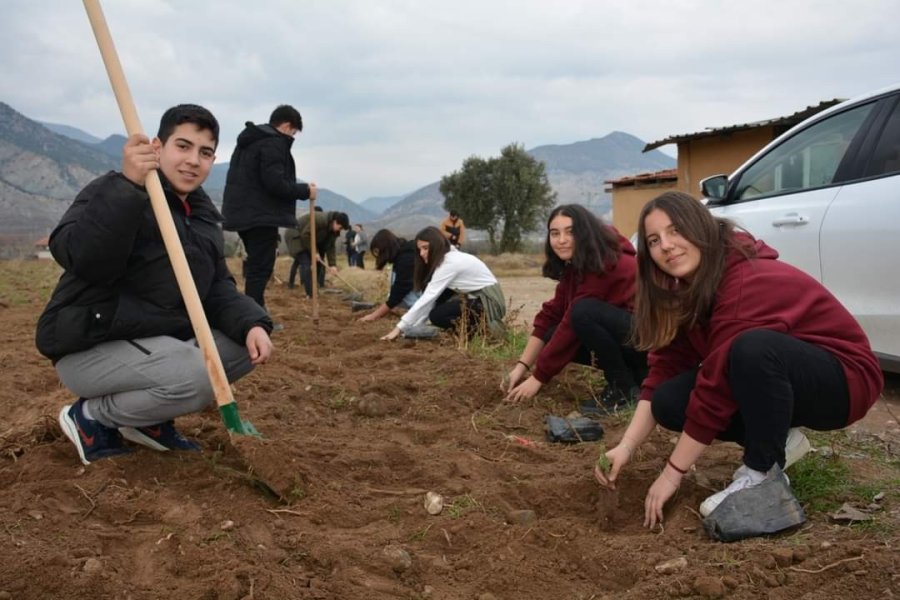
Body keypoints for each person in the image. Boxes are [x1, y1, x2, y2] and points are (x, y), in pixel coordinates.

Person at [593, 191, 883, 530]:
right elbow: (665, 368)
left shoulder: (745, 278)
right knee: (670, 401)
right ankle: (775, 437)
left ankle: (762, 473)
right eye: (654, 240)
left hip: (845, 380)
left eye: (676, 231)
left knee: (750, 349)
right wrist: (626, 447)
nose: (666, 246)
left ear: (701, 227)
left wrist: (672, 474)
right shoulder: (687, 288)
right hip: (783, 378)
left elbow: (717, 386)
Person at [35, 104, 274, 465]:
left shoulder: (202, 215)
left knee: (243, 346)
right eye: (183, 146)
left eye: (205, 152)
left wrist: (252, 322)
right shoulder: (115, 188)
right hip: (90, 342)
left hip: (152, 339)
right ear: (157, 147)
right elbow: (79, 256)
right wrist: (128, 187)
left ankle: (146, 421)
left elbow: (215, 287)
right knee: (197, 375)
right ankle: (90, 417)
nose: (194, 160)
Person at [503, 204, 646, 406]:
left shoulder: (606, 262)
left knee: (583, 313)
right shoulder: (578, 264)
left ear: (585, 233)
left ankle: (623, 388)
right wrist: (521, 367)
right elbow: (551, 314)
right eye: (555, 233)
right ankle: (634, 378)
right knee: (552, 333)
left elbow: (573, 321)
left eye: (570, 232)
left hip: (651, 344)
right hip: (629, 340)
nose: (561, 240)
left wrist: (538, 378)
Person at [222, 104, 316, 312]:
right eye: (293, 133)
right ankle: (254, 316)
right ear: (286, 126)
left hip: (241, 212)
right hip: (261, 215)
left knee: (256, 266)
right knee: (260, 269)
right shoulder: (273, 143)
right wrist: (304, 191)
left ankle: (256, 311)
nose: (292, 137)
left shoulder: (250, 141)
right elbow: (275, 183)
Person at [381, 226, 505, 340]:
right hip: (478, 299)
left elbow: (427, 299)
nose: (422, 253)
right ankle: (469, 331)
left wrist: (398, 329)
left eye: (425, 248)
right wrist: (414, 327)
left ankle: (480, 332)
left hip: (490, 302)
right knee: (439, 300)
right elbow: (432, 300)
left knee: (437, 315)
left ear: (437, 245)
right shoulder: (448, 257)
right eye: (419, 249)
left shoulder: (449, 263)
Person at [358, 229, 422, 322]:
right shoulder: (401, 254)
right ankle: (401, 307)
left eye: (378, 252)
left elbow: (398, 292)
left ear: (385, 249)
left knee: (398, 289)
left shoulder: (406, 260)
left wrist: (374, 315)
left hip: (426, 296)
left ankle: (418, 311)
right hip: (418, 291)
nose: (378, 256)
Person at [284, 210, 350, 297]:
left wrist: (332, 265)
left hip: (309, 241)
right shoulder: (320, 220)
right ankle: (310, 294)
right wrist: (315, 252)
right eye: (340, 228)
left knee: (319, 263)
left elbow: (330, 247)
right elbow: (306, 235)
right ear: (335, 222)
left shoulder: (333, 231)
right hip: (296, 235)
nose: (340, 230)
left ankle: (315, 289)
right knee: (306, 263)